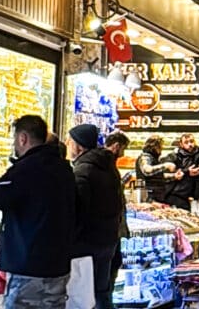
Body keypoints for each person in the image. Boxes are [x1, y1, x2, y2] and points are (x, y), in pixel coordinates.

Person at [0, 115, 76, 307]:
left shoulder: (24, 170)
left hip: (29, 266)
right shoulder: (65, 170)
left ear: (22, 138)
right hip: (59, 265)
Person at [66, 124, 123, 309]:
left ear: (79, 145)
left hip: (87, 244)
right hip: (107, 239)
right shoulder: (108, 168)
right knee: (102, 292)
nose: (67, 145)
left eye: (70, 141)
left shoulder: (83, 171)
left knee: (84, 295)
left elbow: (80, 210)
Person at [103, 131, 131, 302]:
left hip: (112, 231)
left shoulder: (108, 167)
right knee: (106, 275)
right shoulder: (106, 167)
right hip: (109, 232)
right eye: (123, 149)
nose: (124, 154)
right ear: (116, 146)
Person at [161, 133, 199, 211]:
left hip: (193, 194)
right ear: (181, 144)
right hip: (176, 193)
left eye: (191, 141)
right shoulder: (174, 156)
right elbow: (167, 171)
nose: (190, 144)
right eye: (186, 142)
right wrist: (187, 171)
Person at [135, 136, 176, 203]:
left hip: (156, 195)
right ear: (155, 146)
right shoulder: (145, 157)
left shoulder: (153, 158)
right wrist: (166, 165)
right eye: (160, 147)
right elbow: (147, 171)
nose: (161, 149)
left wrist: (174, 176)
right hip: (149, 196)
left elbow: (157, 176)